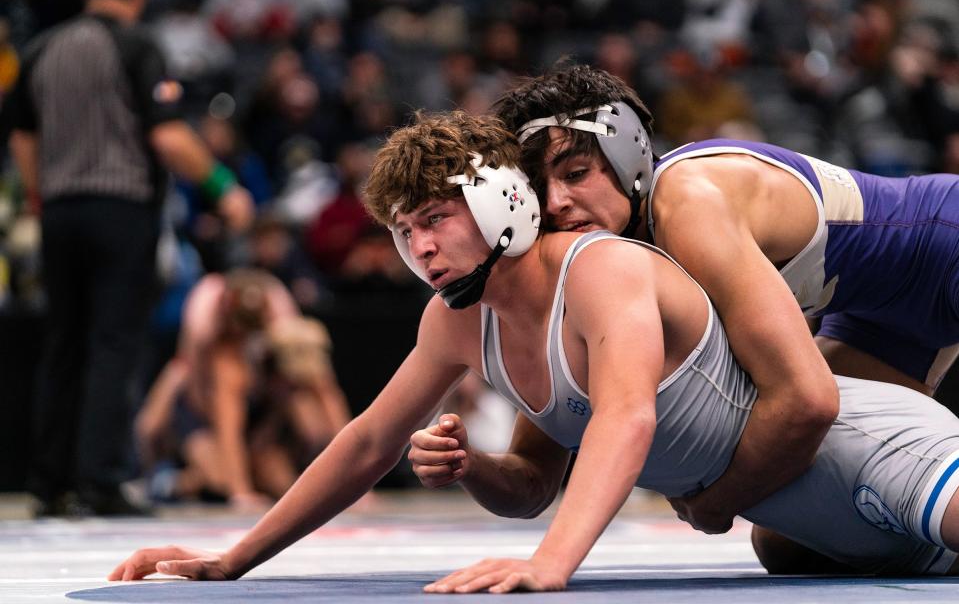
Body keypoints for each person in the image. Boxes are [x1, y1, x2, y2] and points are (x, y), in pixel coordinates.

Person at [110, 112, 959, 590]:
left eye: (436, 220)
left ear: (500, 203)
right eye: (405, 234)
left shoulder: (603, 271)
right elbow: (369, 441)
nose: (423, 251)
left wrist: (551, 565)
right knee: (791, 560)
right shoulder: (458, 321)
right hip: (803, 521)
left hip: (871, 447)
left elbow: (626, 414)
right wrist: (232, 559)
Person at [493, 62, 959, 541]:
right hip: (879, 318)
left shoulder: (686, 205)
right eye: (538, 188)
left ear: (628, 156)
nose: (555, 204)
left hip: (949, 239)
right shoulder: (596, 262)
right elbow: (537, 465)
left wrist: (717, 503)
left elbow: (809, 400)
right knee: (790, 542)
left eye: (575, 173)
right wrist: (467, 462)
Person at [4, 0, 255, 516]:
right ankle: (102, 481)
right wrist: (222, 187)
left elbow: (21, 130)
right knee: (113, 342)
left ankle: (49, 485)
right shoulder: (139, 45)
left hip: (60, 212)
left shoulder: (43, 46)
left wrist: (39, 194)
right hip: (120, 210)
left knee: (63, 343)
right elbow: (166, 134)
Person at [135, 269, 350, 510]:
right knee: (217, 477)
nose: (246, 338)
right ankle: (170, 480)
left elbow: (327, 395)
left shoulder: (285, 324)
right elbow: (225, 422)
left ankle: (283, 467)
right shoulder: (208, 329)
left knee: (285, 470)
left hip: (261, 411)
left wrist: (356, 480)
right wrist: (240, 492)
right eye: (242, 332)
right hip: (201, 400)